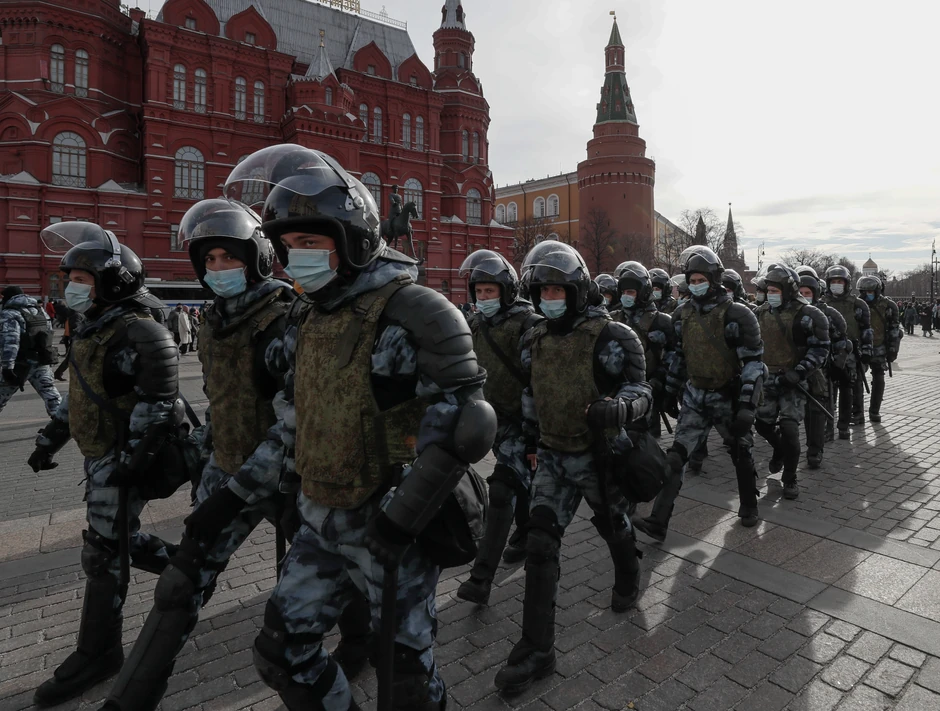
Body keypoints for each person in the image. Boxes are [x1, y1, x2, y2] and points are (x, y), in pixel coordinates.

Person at [217, 144, 495, 710]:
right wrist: (256, 491)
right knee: (281, 653)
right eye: (290, 246)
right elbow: (293, 415)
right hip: (319, 521)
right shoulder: (307, 316)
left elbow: (467, 425)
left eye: (311, 242)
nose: (298, 257)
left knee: (407, 682)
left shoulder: (416, 310)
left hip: (391, 527)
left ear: (354, 239)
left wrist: (400, 520)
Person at [98, 198, 304, 711]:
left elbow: (297, 422)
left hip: (292, 481)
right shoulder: (213, 320)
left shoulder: (286, 321)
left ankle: (360, 641)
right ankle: (129, 700)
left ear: (256, 259)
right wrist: (193, 453)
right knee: (181, 583)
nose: (217, 268)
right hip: (228, 470)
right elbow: (223, 404)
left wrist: (233, 493)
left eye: (228, 257)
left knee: (319, 581)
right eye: (209, 259)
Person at [27, 222, 181, 706]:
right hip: (100, 456)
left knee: (102, 552)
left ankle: (99, 653)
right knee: (116, 540)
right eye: (70, 278)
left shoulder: (141, 332)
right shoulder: (91, 328)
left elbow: (159, 405)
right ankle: (189, 567)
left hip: (125, 459)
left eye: (82, 280)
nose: (71, 287)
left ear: (112, 282)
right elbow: (80, 398)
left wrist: (131, 463)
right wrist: (48, 441)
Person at [494, 241, 651, 694]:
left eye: (557, 290)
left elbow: (642, 389)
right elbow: (531, 393)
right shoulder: (535, 339)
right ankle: (536, 649)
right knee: (540, 544)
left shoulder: (612, 336)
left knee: (613, 525)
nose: (549, 298)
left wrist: (619, 407)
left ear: (577, 290)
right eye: (542, 291)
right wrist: (529, 441)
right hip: (552, 456)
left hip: (599, 456)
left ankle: (628, 574)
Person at [634, 246, 764, 541]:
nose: (695, 285)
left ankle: (749, 505)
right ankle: (659, 520)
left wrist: (747, 404)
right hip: (695, 396)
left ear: (714, 280)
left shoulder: (738, 315)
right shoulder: (682, 315)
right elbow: (679, 357)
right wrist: (669, 391)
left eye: (700, 280)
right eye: (691, 281)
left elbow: (754, 363)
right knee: (676, 456)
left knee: (740, 451)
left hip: (728, 396)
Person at [456, 250, 542, 605]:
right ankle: (523, 533)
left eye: (490, 291)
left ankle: (481, 578)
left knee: (503, 488)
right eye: (479, 292)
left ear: (506, 291)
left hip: (523, 423)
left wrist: (534, 436)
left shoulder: (527, 325)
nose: (483, 298)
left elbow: (538, 382)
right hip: (493, 420)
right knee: (519, 482)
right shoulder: (476, 324)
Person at [752, 265, 829, 499]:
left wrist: (800, 371)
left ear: (787, 290)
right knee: (762, 425)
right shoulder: (759, 314)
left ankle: (790, 478)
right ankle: (779, 450)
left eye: (775, 290)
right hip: (767, 380)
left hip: (793, 382)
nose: (771, 294)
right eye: (769, 290)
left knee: (790, 430)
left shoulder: (808, 315)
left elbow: (820, 348)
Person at [611, 261, 676, 438]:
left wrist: (659, 380)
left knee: (645, 438)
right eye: (623, 292)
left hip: (648, 389)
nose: (626, 296)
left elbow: (674, 355)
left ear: (643, 293)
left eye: (630, 292)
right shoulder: (613, 318)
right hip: (617, 391)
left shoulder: (661, 321)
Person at [796, 268, 850, 467]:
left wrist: (837, 364)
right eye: (800, 292)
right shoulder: (791, 312)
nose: (804, 296)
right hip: (795, 369)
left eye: (807, 293)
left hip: (820, 370)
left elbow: (841, 341)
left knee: (816, 410)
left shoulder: (828, 313)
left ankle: (815, 450)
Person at [822, 265, 873, 431]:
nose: (836, 285)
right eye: (833, 281)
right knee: (828, 388)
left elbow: (866, 329)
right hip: (829, 351)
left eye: (840, 281)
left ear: (846, 283)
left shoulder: (858, 304)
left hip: (851, 352)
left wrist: (867, 352)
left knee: (852, 385)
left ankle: (854, 415)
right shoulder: (822, 304)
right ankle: (829, 420)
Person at [1, 286, 62, 416]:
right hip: (41, 360)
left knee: (2, 393)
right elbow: (48, 334)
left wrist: (7, 367)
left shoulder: (10, 313)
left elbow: (10, 341)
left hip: (20, 363)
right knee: (51, 396)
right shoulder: (40, 310)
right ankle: (62, 423)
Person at [856, 275, 901, 423]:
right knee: (856, 379)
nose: (867, 294)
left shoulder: (888, 305)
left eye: (870, 291)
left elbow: (894, 328)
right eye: (864, 291)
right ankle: (858, 412)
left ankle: (874, 411)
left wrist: (893, 349)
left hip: (879, 347)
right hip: (861, 347)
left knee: (879, 378)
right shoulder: (856, 304)